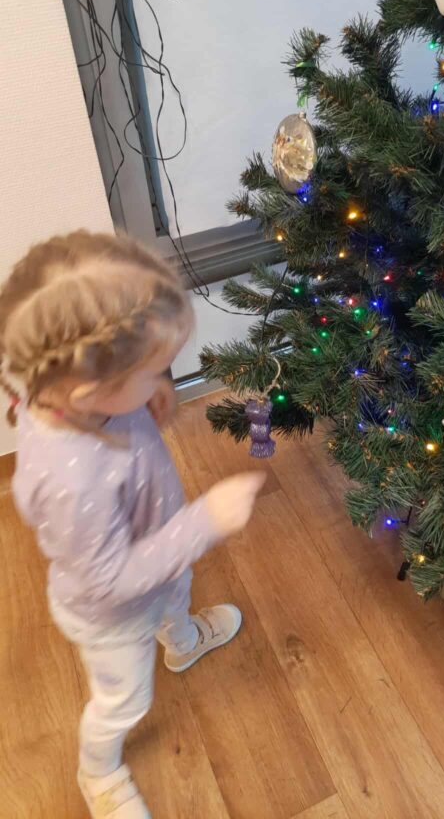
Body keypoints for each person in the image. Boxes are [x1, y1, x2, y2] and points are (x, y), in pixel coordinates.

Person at [0, 230, 264, 819]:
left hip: (157, 551)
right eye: (152, 372)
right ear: (92, 391)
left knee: (174, 596)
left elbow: (124, 406)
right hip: (113, 615)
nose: (162, 378)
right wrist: (203, 522)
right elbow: (109, 581)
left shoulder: (73, 394)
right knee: (123, 699)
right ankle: (97, 770)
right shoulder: (71, 481)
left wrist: (149, 394)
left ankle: (182, 643)